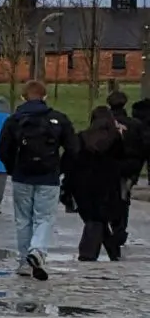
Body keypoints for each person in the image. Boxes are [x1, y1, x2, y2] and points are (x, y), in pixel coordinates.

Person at [1, 79, 78, 279]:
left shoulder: (14, 120)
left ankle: (24, 261)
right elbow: (73, 148)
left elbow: (3, 149)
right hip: (48, 176)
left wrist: (12, 168)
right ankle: (37, 250)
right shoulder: (58, 119)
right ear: (45, 97)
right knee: (44, 218)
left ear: (22, 97)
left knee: (23, 220)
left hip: (22, 176)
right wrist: (61, 168)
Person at [65, 106, 131, 261]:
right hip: (107, 185)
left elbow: (72, 161)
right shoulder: (116, 139)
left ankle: (106, 250)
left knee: (94, 219)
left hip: (83, 185)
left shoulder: (82, 137)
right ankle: (92, 252)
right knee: (98, 219)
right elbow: (122, 160)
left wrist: (68, 185)